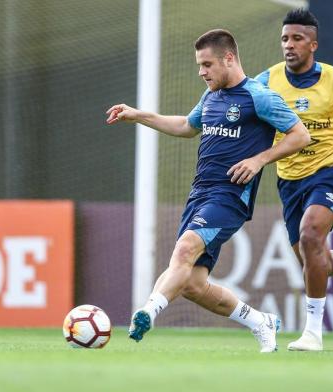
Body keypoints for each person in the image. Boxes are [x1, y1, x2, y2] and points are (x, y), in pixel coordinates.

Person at [107, 29, 310, 353]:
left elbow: (300, 135)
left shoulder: (258, 96)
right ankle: (261, 322)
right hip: (199, 195)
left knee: (185, 249)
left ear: (228, 58)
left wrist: (260, 160)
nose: (201, 72)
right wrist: (138, 115)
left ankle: (148, 312)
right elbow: (187, 126)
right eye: (199, 65)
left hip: (230, 197)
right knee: (191, 284)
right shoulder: (211, 96)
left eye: (207, 64)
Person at [256, 8, 333, 351]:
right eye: (284, 39)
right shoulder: (267, 81)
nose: (289, 45)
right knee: (314, 260)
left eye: (297, 39)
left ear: (313, 45)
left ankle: (313, 334)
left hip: (332, 171)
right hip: (290, 180)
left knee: (310, 234)